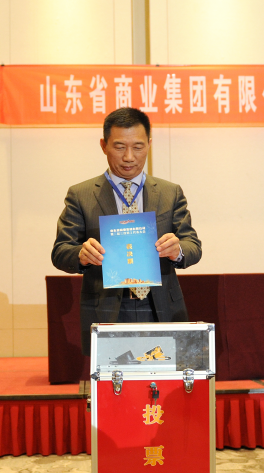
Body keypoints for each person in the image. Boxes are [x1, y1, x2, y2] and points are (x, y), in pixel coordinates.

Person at [52, 107, 201, 356]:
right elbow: (60, 251)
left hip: (160, 306)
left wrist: (178, 251)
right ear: (104, 145)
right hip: (107, 307)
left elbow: (192, 245)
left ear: (149, 144)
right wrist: (81, 255)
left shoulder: (169, 192)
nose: (129, 157)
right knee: (112, 377)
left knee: (161, 375)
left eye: (138, 147)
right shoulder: (81, 195)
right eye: (120, 147)